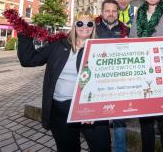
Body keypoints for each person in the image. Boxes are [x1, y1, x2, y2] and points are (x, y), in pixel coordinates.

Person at [17, 11, 111, 152]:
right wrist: (24, 33)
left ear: (93, 27)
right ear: (74, 25)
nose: (84, 26)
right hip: (61, 110)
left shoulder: (101, 49)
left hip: (91, 110)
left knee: (101, 148)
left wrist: (95, 110)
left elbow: (109, 82)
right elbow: (28, 59)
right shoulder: (58, 45)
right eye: (80, 23)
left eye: (89, 23)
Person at [130, 0, 163, 152]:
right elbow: (132, 42)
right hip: (143, 76)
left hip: (162, 76)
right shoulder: (137, 16)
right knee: (146, 123)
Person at [96, 0, 129, 152]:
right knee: (100, 125)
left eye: (114, 11)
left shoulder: (126, 30)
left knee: (120, 124)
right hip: (98, 85)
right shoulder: (92, 29)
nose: (110, 14)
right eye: (107, 11)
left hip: (120, 85)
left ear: (118, 12)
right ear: (102, 12)